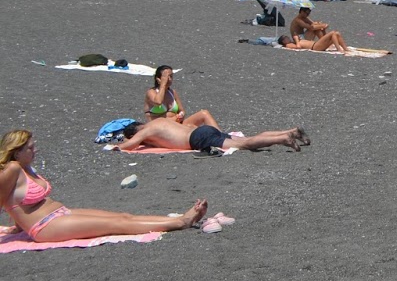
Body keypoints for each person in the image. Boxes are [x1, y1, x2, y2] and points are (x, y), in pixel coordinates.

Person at [3, 129, 208, 240]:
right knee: (116, 226)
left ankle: (179, 218)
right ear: (17, 152)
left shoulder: (27, 167)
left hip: (60, 214)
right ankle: (181, 223)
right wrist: (20, 226)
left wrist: (18, 226)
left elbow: (17, 200)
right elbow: (3, 199)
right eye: (30, 148)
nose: (35, 151)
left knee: (123, 217)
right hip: (45, 226)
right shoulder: (12, 168)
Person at [118, 118, 307, 154]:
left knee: (246, 144)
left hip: (198, 139)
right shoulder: (159, 121)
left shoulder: (146, 130)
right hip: (203, 130)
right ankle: (290, 132)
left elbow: (129, 146)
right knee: (246, 138)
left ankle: (282, 139)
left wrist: (118, 146)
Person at [145, 65, 220, 130]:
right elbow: (158, 102)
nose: (169, 79)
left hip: (176, 125)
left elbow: (182, 110)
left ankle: (221, 138)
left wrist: (181, 115)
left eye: (171, 76)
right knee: (192, 128)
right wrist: (163, 84)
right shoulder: (151, 92)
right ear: (158, 79)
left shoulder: (172, 92)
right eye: (166, 77)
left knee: (204, 113)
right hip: (160, 129)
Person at [276, 31, 391, 56]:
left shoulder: (292, 41)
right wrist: (297, 40)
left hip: (315, 44)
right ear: (283, 42)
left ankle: (344, 48)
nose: (287, 38)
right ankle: (340, 49)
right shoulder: (288, 45)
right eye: (285, 38)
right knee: (332, 33)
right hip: (315, 47)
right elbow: (298, 47)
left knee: (336, 33)